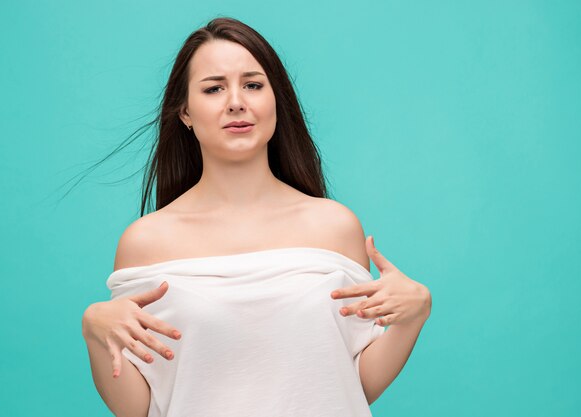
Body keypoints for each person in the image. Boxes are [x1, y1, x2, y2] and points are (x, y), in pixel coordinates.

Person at [81, 16, 432, 417]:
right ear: (185, 113)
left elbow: (353, 385)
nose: (236, 101)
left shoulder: (334, 226)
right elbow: (138, 409)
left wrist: (412, 316)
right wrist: (95, 330)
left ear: (275, 100)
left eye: (253, 84)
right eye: (214, 88)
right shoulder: (146, 241)